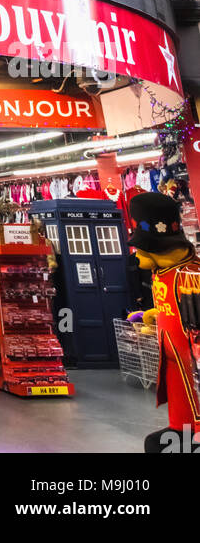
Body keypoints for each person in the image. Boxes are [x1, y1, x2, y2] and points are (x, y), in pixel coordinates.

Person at [127, 190, 200, 452]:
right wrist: (154, 316)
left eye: (139, 247)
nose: (135, 254)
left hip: (192, 367)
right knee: (175, 431)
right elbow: (174, 310)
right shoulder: (163, 271)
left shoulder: (191, 276)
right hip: (176, 366)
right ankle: (184, 429)